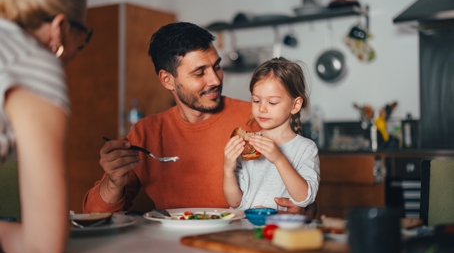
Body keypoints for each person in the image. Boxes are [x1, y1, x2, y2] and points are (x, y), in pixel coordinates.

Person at [83, 22, 316, 216]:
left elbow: (305, 196)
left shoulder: (259, 118)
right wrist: (113, 181)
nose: (215, 79)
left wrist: (302, 210)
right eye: (199, 72)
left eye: (216, 67)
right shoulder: (146, 134)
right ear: (167, 80)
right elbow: (93, 214)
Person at [0, 0, 90, 253]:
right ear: (59, 26)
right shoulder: (33, 61)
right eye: (82, 35)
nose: (77, 49)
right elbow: (43, 247)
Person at [223, 57, 320, 210]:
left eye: (272, 102)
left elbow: (304, 199)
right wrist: (228, 169)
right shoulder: (249, 146)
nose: (262, 108)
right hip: (246, 229)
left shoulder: (305, 148)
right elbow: (235, 202)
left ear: (295, 105)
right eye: (256, 101)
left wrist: (279, 159)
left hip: (282, 231)